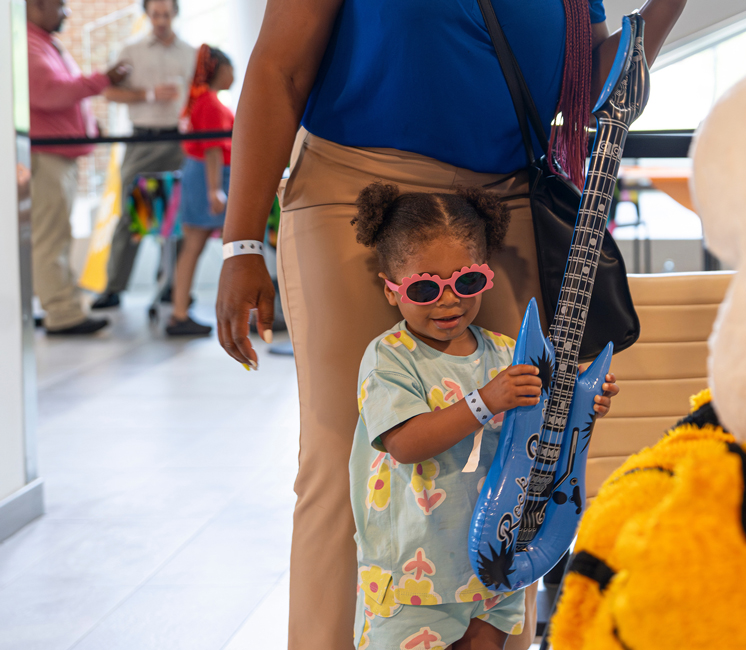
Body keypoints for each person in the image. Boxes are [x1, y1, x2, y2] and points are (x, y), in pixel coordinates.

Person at [215, 0, 687, 647]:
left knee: (515, 444)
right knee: (347, 453)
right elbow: (279, 70)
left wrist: (667, 8)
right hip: (352, 185)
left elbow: (588, 87)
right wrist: (242, 243)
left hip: (501, 203)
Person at [349, 182, 618, 650]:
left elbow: (545, 429)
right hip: (416, 567)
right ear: (391, 291)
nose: (449, 301)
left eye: (466, 281)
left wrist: (583, 402)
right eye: (425, 287)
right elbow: (405, 444)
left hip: (495, 554)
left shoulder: (508, 352)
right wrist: (484, 401)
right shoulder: (390, 357)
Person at [27, 0, 129, 335]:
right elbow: (49, 93)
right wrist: (102, 80)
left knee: (54, 235)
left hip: (58, 155)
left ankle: (59, 305)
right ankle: (62, 313)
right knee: (51, 237)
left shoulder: (42, 42)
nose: (67, 13)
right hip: (48, 156)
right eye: (60, 5)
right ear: (38, 5)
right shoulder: (29, 45)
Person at [92, 0, 197, 310]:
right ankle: (114, 287)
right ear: (147, 15)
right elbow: (109, 92)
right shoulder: (131, 51)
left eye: (166, 14)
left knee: (178, 214)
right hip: (142, 140)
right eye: (155, 14)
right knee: (130, 213)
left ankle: (172, 285)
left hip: (179, 141)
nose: (161, 20)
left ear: (175, 14)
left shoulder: (191, 54)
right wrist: (147, 95)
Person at [166, 45, 233, 336]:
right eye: (230, 68)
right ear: (219, 70)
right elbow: (213, 150)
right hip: (209, 177)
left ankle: (180, 312)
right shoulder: (209, 102)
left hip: (205, 175)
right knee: (203, 245)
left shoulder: (203, 100)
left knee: (193, 246)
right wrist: (215, 190)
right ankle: (180, 313)